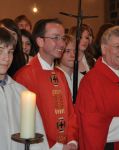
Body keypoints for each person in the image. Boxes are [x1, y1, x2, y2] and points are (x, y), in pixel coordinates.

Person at [14, 18, 78, 150]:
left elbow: (71, 113)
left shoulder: (60, 75)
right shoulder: (24, 76)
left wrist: (72, 141)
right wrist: (57, 147)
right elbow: (23, 123)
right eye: (55, 38)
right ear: (40, 41)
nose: (61, 44)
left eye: (63, 38)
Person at [0, 27, 50, 150]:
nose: (6, 58)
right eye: (0, 50)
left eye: (10, 51)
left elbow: (38, 141)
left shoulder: (21, 92)